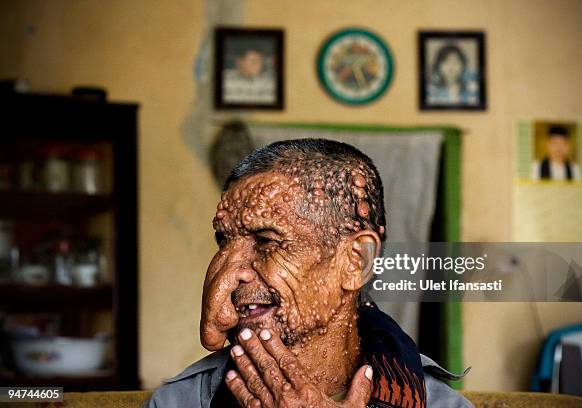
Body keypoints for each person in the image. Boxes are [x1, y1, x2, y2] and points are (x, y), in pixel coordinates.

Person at [144, 139, 473, 407]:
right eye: (223, 240)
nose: (230, 274)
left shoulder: (440, 405)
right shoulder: (179, 401)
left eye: (265, 240)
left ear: (355, 260)